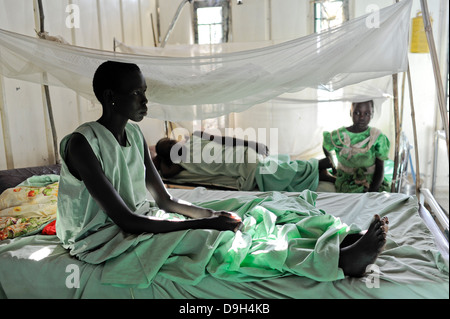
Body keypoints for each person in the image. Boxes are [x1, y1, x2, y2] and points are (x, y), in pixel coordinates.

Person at [56, 61, 388, 279]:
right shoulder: (82, 145)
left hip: (143, 217)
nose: (145, 101)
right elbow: (125, 220)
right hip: (103, 237)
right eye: (136, 94)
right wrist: (206, 223)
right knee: (216, 241)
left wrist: (213, 214)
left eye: (145, 93)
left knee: (250, 213)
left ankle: (338, 240)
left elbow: (167, 202)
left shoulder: (134, 135)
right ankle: (338, 262)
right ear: (110, 97)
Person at [153, 132, 332, 192]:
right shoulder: (178, 164)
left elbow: (225, 139)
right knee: (282, 171)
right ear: (168, 157)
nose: (172, 145)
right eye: (168, 149)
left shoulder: (195, 137)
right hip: (242, 167)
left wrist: (252, 144)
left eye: (170, 142)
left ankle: (322, 165)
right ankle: (323, 172)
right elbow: (161, 170)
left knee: (280, 171)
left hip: (244, 158)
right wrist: (158, 156)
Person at [320, 100, 391, 193]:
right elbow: (326, 145)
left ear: (372, 114)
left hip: (371, 179)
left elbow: (380, 167)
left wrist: (373, 190)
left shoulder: (377, 137)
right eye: (357, 113)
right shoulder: (340, 135)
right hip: (347, 180)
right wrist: (333, 166)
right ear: (350, 113)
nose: (362, 117)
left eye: (367, 113)